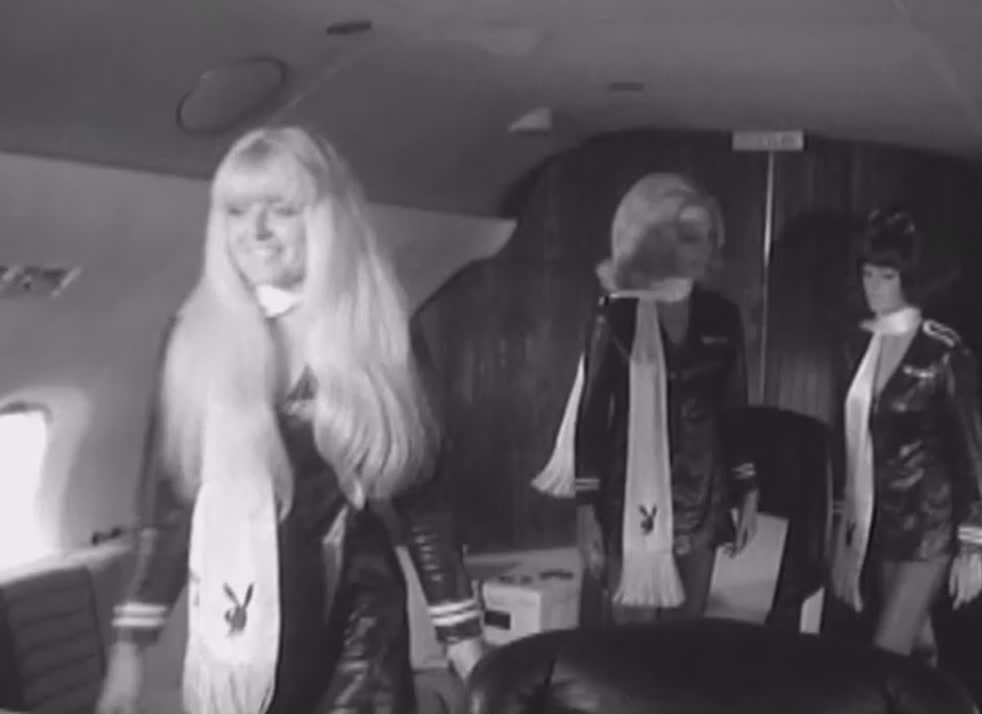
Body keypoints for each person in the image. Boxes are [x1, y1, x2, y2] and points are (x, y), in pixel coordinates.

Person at [95, 126, 486, 714]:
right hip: (240, 620)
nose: (254, 232)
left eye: (280, 210)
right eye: (236, 211)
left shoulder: (380, 333)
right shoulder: (192, 339)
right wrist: (129, 652)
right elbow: (169, 504)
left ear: (326, 221)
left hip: (359, 623)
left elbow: (423, 500)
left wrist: (465, 644)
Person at [533, 173, 759, 624]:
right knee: (629, 644)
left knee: (685, 639)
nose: (702, 249)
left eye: (708, 237)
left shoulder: (722, 316)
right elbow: (592, 418)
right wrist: (586, 510)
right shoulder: (616, 317)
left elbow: (734, 408)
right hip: (629, 498)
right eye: (690, 237)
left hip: (702, 497)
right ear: (661, 241)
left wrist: (748, 489)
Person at [826, 207, 982, 657]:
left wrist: (972, 544)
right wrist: (840, 524)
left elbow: (970, 452)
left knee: (887, 650)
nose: (873, 286)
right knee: (917, 649)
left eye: (886, 276)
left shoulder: (943, 352)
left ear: (908, 279)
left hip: (929, 526)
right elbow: (845, 442)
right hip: (878, 522)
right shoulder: (856, 344)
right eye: (867, 274)